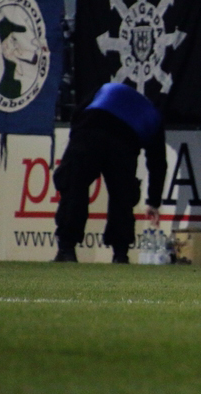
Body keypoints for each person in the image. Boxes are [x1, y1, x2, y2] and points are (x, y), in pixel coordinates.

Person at [53, 82, 167, 264]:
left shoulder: (110, 87)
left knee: (74, 186)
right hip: (124, 143)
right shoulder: (154, 116)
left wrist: (74, 144)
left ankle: (66, 250)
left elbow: (78, 112)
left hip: (89, 129)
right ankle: (120, 254)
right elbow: (158, 164)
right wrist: (154, 201)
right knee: (122, 199)